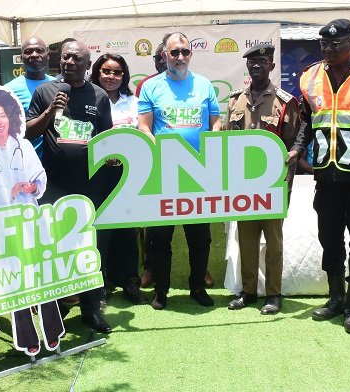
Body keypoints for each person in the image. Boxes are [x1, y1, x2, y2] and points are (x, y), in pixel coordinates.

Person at [288, 19, 350, 334]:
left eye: (336, 44)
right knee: (329, 240)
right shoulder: (310, 77)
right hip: (326, 177)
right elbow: (308, 120)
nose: (329, 50)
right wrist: (297, 149)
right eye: (324, 45)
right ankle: (335, 298)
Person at [26, 40, 113, 333]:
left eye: (76, 58)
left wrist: (112, 158)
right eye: (65, 57)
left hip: (90, 186)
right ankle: (58, 309)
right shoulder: (45, 92)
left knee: (89, 248)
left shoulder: (99, 96)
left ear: (87, 65)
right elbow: (27, 132)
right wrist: (50, 111)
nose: (69, 62)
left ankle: (91, 308)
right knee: (56, 249)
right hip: (53, 186)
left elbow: (106, 139)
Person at [0, 85, 62, 355]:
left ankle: (52, 330)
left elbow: (39, 175)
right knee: (16, 279)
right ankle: (27, 336)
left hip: (30, 217)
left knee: (42, 273)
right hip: (1, 222)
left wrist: (33, 188)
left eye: (3, 115)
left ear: (11, 117)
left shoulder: (24, 145)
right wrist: (6, 192)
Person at [138, 31, 222, 310]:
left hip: (198, 174)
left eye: (184, 52)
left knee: (200, 237)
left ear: (191, 54)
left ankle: (197, 286)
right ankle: (161, 291)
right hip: (164, 173)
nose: (180, 57)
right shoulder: (151, 87)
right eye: (174, 52)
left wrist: (209, 151)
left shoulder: (204, 85)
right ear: (164, 56)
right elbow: (144, 127)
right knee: (160, 238)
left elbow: (216, 123)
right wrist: (161, 155)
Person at [225, 44, 301, 315]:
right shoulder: (234, 101)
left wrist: (292, 161)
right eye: (252, 62)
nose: (256, 66)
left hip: (273, 184)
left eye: (262, 61)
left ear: (271, 65)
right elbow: (226, 142)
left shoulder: (284, 101)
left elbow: (295, 139)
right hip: (243, 183)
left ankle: (274, 294)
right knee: (245, 239)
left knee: (273, 242)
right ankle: (247, 291)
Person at [89, 53, 148, 305]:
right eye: (106, 71)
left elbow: (143, 134)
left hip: (128, 174)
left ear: (124, 76)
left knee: (127, 230)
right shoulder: (87, 98)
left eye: (117, 72)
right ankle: (100, 286)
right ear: (96, 72)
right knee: (100, 232)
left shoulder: (133, 102)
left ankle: (130, 283)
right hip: (97, 174)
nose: (111, 77)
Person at [5, 36, 55, 158]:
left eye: (39, 50)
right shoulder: (8, 91)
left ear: (47, 56)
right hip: (24, 164)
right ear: (21, 58)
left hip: (57, 166)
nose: (34, 54)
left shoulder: (59, 85)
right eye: (28, 52)